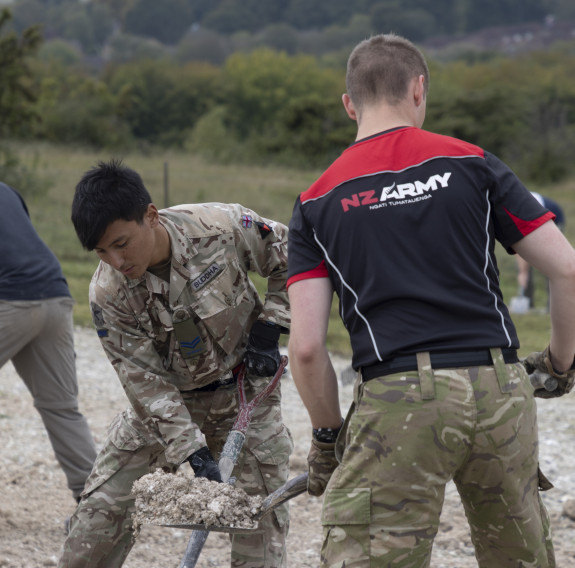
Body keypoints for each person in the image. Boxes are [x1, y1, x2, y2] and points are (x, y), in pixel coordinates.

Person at [286, 33, 575, 567]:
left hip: (398, 397)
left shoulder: (316, 200)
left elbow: (305, 349)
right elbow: (566, 267)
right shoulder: (473, 162)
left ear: (349, 104)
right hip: (499, 387)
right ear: (419, 89)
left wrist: (328, 438)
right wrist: (558, 363)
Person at [58, 159, 293, 568]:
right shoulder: (107, 293)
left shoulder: (221, 227)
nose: (115, 260)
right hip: (167, 408)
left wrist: (272, 325)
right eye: (101, 251)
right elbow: (144, 382)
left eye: (121, 243)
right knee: (92, 530)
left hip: (245, 398)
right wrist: (192, 452)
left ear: (150, 216)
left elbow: (294, 255)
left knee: (261, 536)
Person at [0, 182, 97, 505]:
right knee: (62, 409)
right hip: (55, 294)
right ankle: (95, 506)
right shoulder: (7, 191)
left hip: (9, 302)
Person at [515, 192, 566, 310]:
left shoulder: (527, 207)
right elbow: (518, 244)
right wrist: (522, 272)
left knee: (551, 262)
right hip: (534, 221)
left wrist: (523, 271)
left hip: (554, 220)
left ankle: (553, 306)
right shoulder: (514, 210)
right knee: (524, 263)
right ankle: (528, 302)